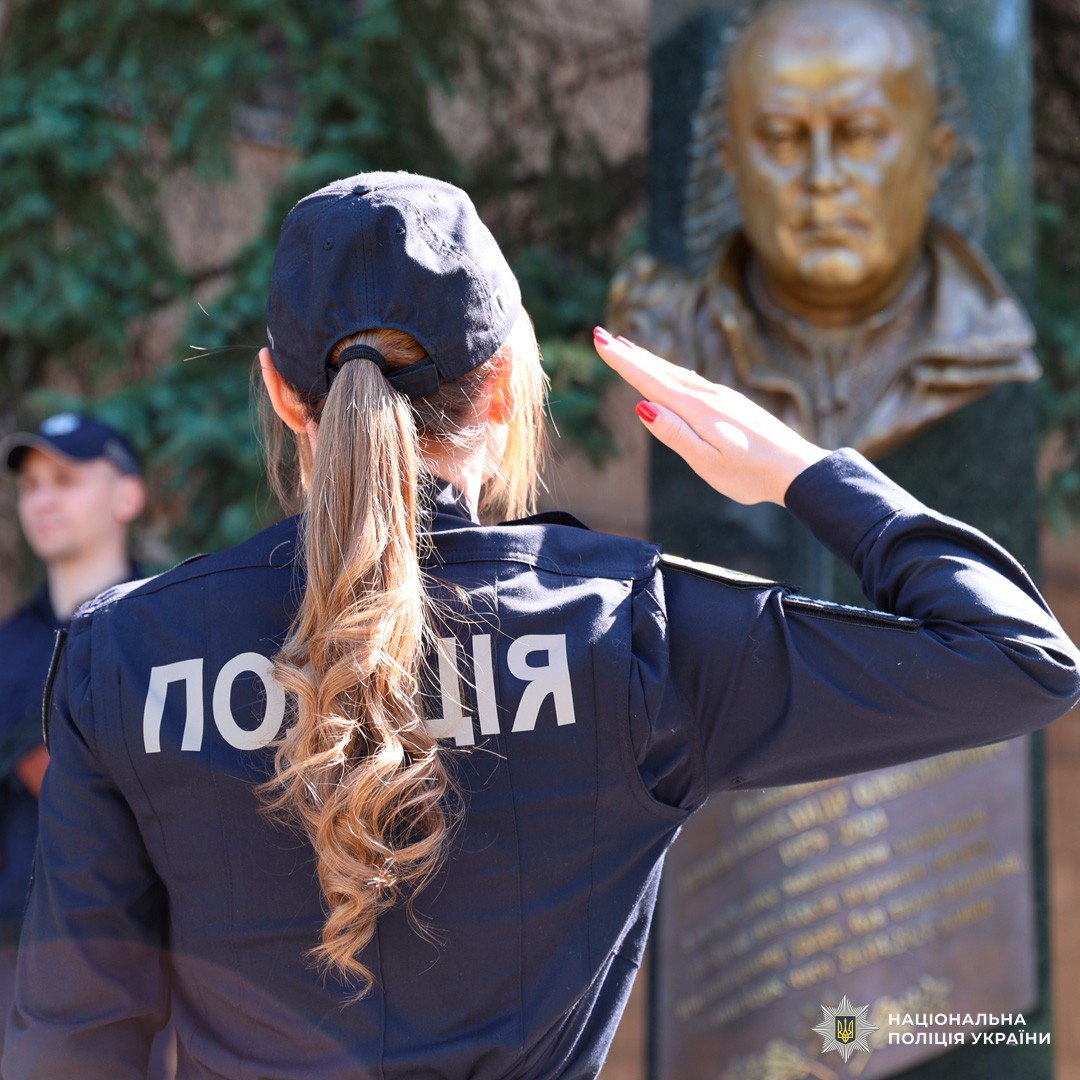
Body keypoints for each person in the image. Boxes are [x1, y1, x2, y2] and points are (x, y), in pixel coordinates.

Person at [5, 171, 1078, 1078]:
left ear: (285, 397)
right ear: (509, 388)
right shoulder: (630, 628)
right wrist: (801, 468)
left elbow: (78, 1036)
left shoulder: (125, 652)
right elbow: (1016, 659)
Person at [608, 0, 1038, 458]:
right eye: (782, 137)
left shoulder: (990, 343)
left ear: (936, 155)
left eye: (859, 134)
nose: (823, 178)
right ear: (730, 160)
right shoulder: (665, 332)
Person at [0, 414, 146, 1058]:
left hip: (151, 958)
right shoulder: (4, 650)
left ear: (126, 496)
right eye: (30, 485)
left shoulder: (171, 632)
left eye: (64, 479)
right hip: (17, 960)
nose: (42, 499)